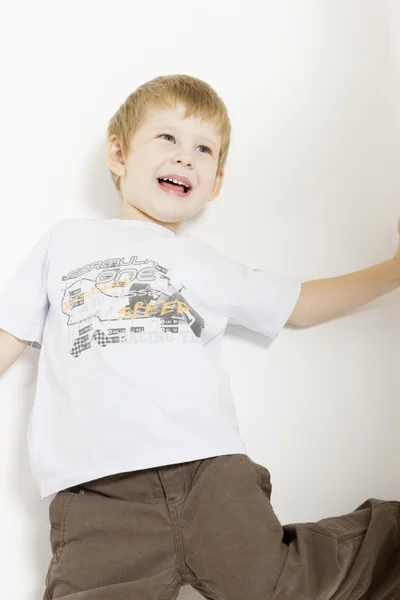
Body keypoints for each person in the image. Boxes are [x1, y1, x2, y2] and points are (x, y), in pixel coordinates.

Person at [0, 74, 399, 600]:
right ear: (118, 155)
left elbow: (298, 304)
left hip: (209, 474)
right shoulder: (66, 243)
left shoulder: (207, 265)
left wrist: (392, 270)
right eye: (167, 138)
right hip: (98, 494)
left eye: (203, 148)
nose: (185, 156)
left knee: (285, 588)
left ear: (214, 185)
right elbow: (9, 333)